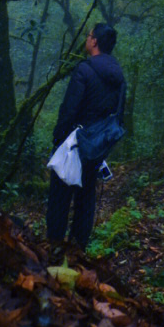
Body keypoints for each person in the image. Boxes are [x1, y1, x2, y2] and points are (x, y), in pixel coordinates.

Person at [46, 23, 125, 253]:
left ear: (94, 42)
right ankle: (78, 250)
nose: (87, 39)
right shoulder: (119, 78)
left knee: (60, 195)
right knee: (86, 196)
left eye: (89, 36)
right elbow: (118, 115)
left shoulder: (84, 69)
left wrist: (58, 139)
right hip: (97, 145)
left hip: (75, 141)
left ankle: (54, 247)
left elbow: (69, 109)